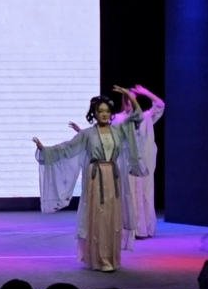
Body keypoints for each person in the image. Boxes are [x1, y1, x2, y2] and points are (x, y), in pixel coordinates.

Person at [33, 86, 145, 272]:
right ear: (94, 113)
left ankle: (110, 258)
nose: (104, 114)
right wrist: (45, 150)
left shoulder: (118, 130)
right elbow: (67, 148)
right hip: (95, 178)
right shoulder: (88, 134)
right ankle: (99, 259)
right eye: (100, 111)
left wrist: (127, 94)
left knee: (111, 218)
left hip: (113, 177)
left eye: (107, 111)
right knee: (98, 217)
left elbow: (138, 115)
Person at [70, 84, 165, 238]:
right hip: (125, 163)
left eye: (132, 99)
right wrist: (81, 132)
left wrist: (145, 92)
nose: (129, 102)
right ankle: (128, 231)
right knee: (128, 194)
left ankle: (143, 229)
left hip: (143, 163)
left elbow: (160, 105)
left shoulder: (144, 117)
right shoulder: (117, 119)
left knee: (145, 194)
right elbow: (102, 135)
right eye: (126, 99)